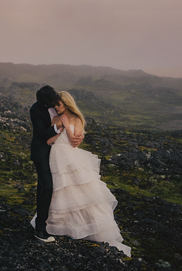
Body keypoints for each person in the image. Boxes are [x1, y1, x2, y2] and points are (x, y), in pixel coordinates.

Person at [33, 91, 131, 257]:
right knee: (59, 189)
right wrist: (59, 127)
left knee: (77, 188)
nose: (56, 108)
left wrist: (66, 126)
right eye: (55, 105)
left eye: (59, 104)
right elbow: (49, 140)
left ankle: (86, 226)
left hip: (70, 156)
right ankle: (61, 225)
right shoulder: (56, 118)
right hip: (56, 156)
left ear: (67, 103)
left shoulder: (77, 119)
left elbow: (74, 141)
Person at [29, 85, 83, 242]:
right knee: (47, 187)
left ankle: (45, 223)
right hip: (41, 152)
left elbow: (74, 124)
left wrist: (79, 137)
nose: (55, 105)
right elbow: (40, 135)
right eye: (52, 103)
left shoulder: (60, 108)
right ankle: (40, 230)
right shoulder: (35, 110)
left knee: (48, 187)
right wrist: (57, 126)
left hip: (56, 155)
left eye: (56, 102)